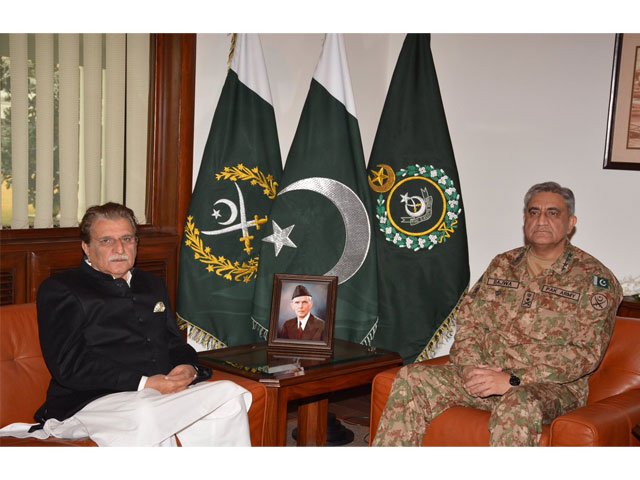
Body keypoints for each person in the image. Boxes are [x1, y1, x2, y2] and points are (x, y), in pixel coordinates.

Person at [373, 181, 623, 446]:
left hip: (551, 388)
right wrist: (471, 368)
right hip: (486, 374)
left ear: (571, 222)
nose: (541, 220)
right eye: (533, 212)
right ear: (525, 219)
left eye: (553, 213)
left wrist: (515, 380)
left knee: (518, 401)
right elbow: (470, 322)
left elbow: (585, 354)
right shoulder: (503, 265)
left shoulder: (594, 279)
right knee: (413, 377)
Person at [0, 202, 251, 446]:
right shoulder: (61, 289)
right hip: (92, 400)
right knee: (145, 413)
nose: (119, 248)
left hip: (157, 392)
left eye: (127, 239)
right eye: (106, 241)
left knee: (228, 394)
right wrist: (145, 383)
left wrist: (187, 366)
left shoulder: (152, 285)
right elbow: (69, 366)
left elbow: (173, 341)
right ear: (86, 247)